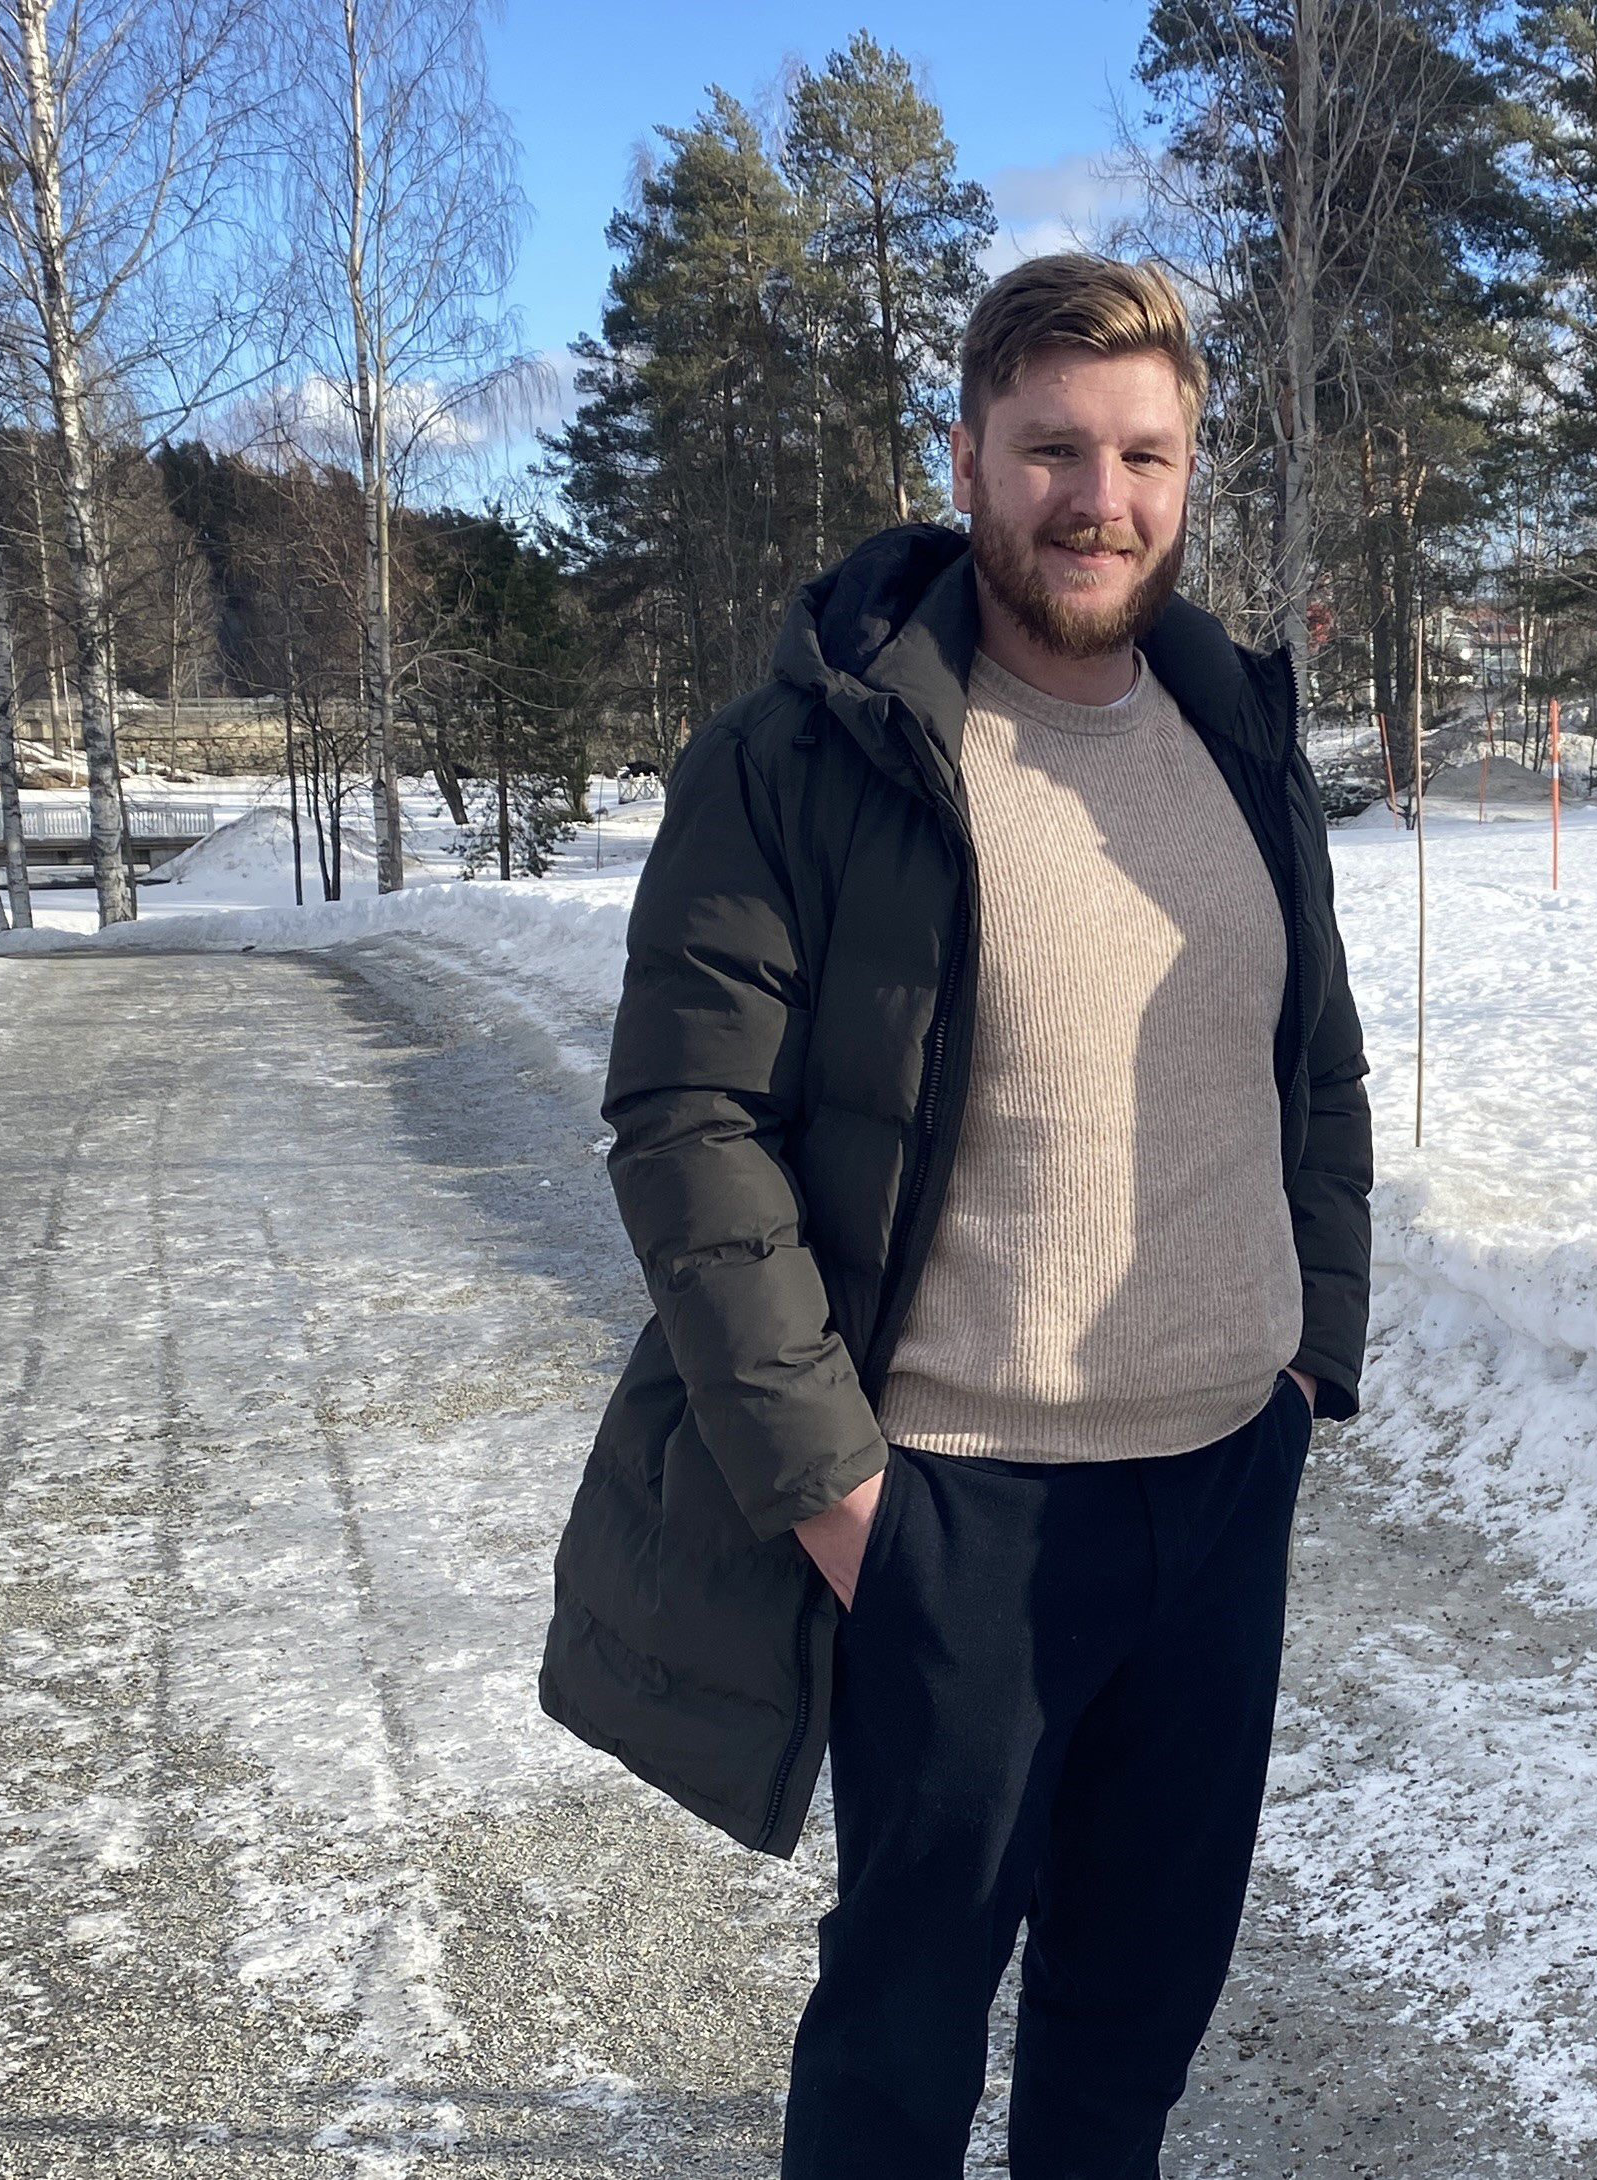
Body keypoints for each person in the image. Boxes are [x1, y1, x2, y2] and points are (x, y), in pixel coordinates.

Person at [537, 253, 1372, 2179]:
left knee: (1134, 2019)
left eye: (1146, 456)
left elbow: (1311, 1070)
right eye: (1054, 449)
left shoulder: (1234, 734)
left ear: (1191, 470)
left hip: (1219, 1485)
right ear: (970, 456)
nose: (1102, 499)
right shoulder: (815, 749)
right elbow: (690, 1122)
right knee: (905, 2034)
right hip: (958, 1506)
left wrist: (1306, 1357)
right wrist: (836, 1488)